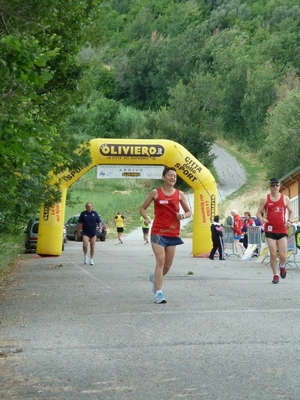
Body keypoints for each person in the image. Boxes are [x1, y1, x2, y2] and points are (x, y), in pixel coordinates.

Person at [140, 166, 191, 304]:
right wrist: (146, 217)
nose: (173, 178)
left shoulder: (179, 194)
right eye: (170, 175)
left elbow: (188, 212)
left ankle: (156, 279)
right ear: (163, 177)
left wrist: (182, 215)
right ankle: (159, 293)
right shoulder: (155, 193)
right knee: (161, 260)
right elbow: (142, 208)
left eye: (174, 176)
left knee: (167, 265)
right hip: (158, 232)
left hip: (173, 233)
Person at [257, 177, 294, 284]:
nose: (275, 187)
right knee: (273, 254)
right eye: (272, 185)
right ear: (270, 186)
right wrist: (261, 219)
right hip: (270, 229)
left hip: (282, 229)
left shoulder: (285, 198)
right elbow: (258, 213)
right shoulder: (265, 199)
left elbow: (292, 212)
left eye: (277, 185)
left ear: (280, 186)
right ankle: (275, 274)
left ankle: (282, 266)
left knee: (283, 255)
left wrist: (290, 221)